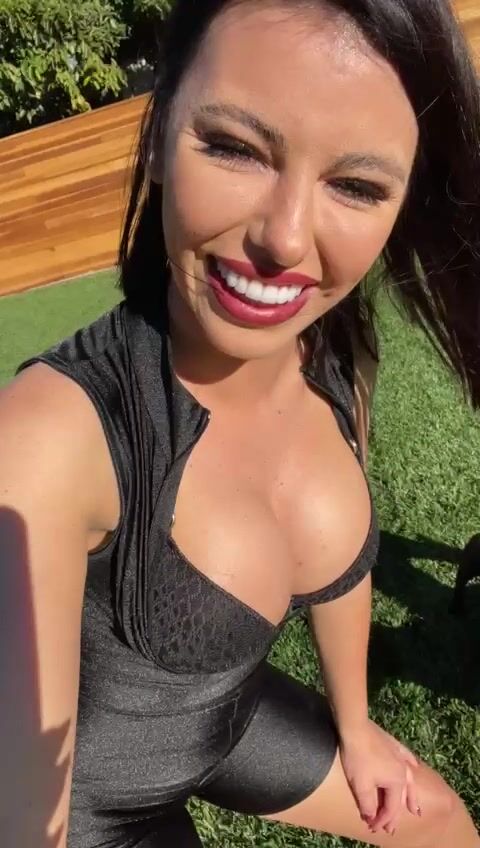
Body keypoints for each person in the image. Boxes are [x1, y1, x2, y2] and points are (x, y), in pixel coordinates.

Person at [1, 1, 479, 846]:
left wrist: (356, 726)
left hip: (224, 723)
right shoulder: (50, 435)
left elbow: (341, 571)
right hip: (92, 814)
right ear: (157, 135)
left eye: (357, 186)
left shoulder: (334, 352)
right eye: (234, 147)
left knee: (439, 823)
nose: (285, 240)